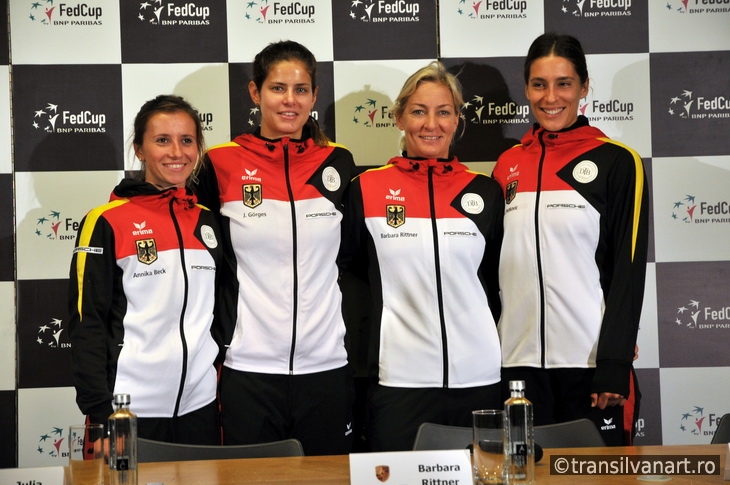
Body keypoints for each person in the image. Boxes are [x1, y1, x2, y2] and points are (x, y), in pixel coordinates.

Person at [195, 40, 356, 456]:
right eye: (278, 88)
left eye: (301, 89)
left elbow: (352, 259)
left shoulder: (337, 162)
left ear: (315, 96)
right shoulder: (220, 162)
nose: (290, 100)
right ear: (255, 92)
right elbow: (197, 258)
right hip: (249, 370)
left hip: (326, 367)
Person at [491, 32, 649, 446]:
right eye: (539, 84)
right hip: (516, 367)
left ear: (583, 86)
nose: (550, 97)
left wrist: (613, 363)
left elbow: (628, 272)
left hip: (590, 367)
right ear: (526, 88)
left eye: (563, 83)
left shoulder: (617, 161)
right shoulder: (507, 165)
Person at [343, 61, 504, 451]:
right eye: (418, 111)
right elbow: (350, 276)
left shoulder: (485, 192)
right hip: (399, 381)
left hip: (479, 379)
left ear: (457, 120)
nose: (431, 124)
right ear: (399, 117)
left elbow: (497, 281)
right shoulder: (365, 189)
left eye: (443, 112)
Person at [68, 94, 223, 445]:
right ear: (139, 149)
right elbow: (86, 321)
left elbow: (220, 308)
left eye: (187, 140)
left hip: (200, 406)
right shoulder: (106, 220)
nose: (176, 152)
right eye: (162, 140)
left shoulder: (207, 219)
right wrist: (101, 411)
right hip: (130, 410)